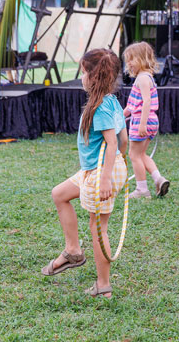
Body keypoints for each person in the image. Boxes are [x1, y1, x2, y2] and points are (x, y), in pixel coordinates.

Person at [41, 48, 128, 298]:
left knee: (98, 228)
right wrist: (119, 165)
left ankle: (103, 286)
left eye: (82, 72)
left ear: (92, 75)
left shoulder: (100, 107)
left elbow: (113, 143)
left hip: (101, 173)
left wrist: (106, 178)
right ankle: (73, 251)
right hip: (96, 170)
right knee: (59, 194)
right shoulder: (111, 101)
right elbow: (123, 140)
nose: (81, 77)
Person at [122, 41, 169, 199]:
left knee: (134, 155)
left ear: (142, 59)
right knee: (141, 154)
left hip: (143, 120)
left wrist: (141, 124)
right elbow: (133, 105)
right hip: (150, 120)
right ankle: (158, 179)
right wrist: (121, 117)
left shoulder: (142, 78)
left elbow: (146, 101)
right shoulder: (147, 77)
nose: (128, 64)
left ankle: (142, 189)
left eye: (131, 59)